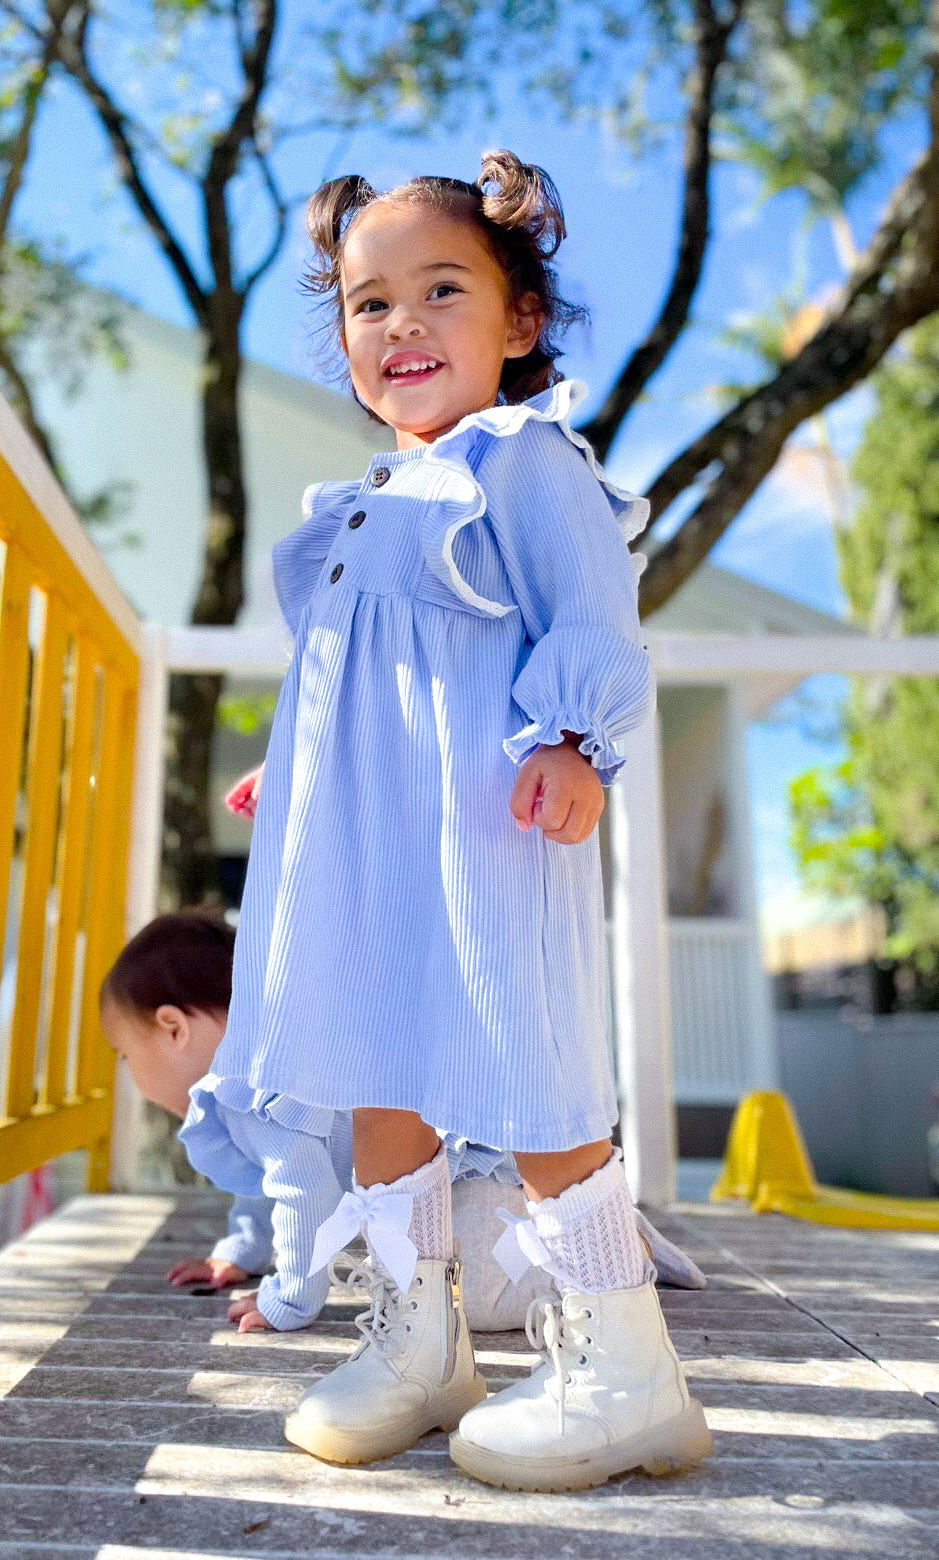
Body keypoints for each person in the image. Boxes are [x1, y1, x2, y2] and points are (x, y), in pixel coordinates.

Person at [203, 149, 713, 1490]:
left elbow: (590, 613)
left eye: (442, 290)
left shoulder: (521, 461)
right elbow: (348, 681)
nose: (403, 324)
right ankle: (418, 1338)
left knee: (524, 1064)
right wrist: (296, 771)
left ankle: (625, 1366)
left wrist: (572, 738)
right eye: (370, 305)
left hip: (486, 824)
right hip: (368, 847)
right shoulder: (359, 510)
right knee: (379, 1062)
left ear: (519, 321)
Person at [100, 912, 705, 1337]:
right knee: (428, 1280)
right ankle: (587, 1225)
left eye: (127, 1054)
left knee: (469, 1300)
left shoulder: (255, 1085)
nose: (131, 1074)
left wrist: (288, 1298)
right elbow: (271, 1192)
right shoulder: (262, 1077)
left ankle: (604, 1250)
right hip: (451, 1186)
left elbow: (304, 1192)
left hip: (473, 1182)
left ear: (174, 1028)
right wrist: (242, 1253)